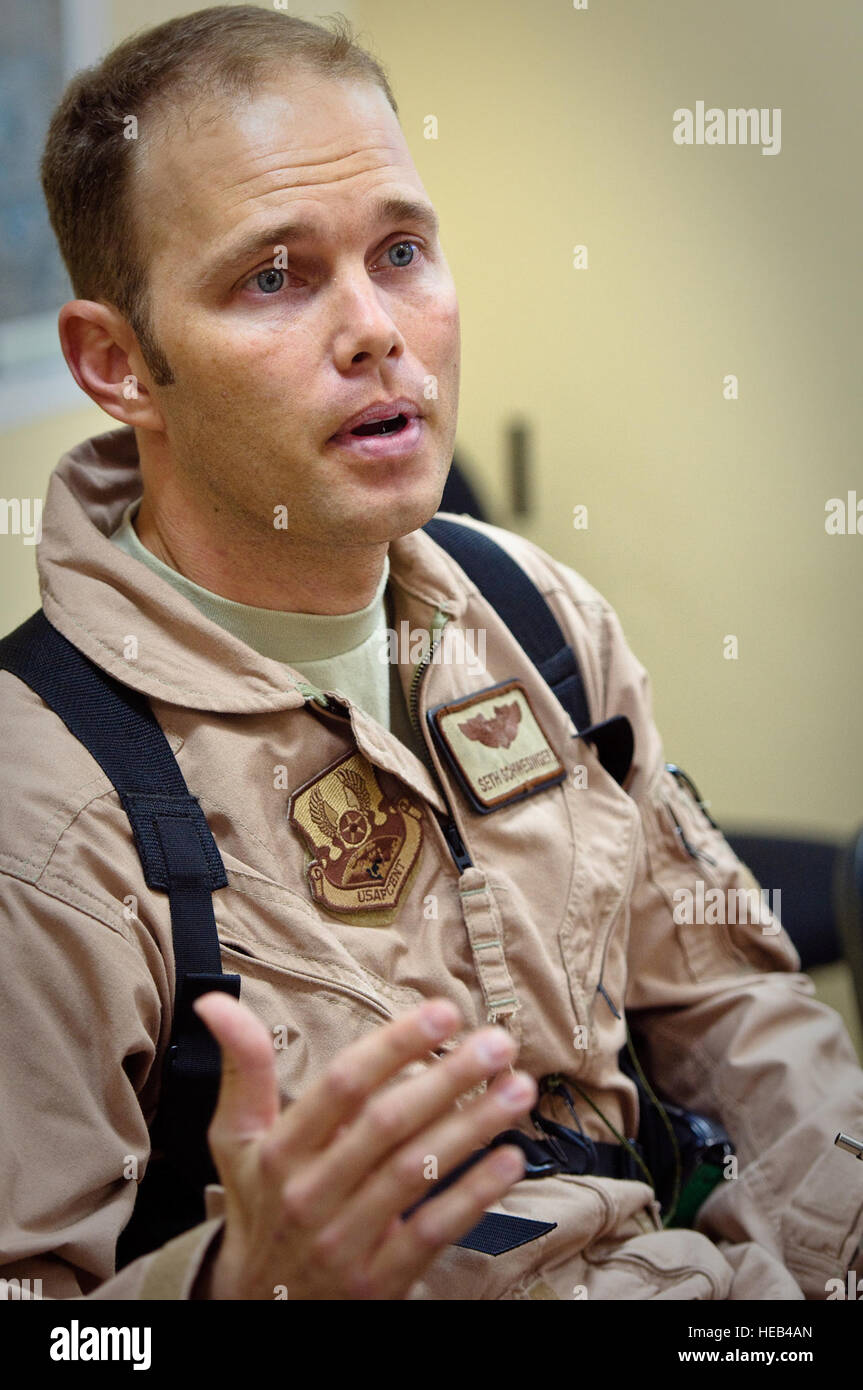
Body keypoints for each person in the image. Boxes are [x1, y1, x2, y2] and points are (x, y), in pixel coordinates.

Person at [1, 5, 861, 1302]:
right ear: (117, 364)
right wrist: (240, 1288)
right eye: (274, 277)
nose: (375, 330)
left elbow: (729, 999)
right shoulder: (47, 806)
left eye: (401, 250)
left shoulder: (535, 615)